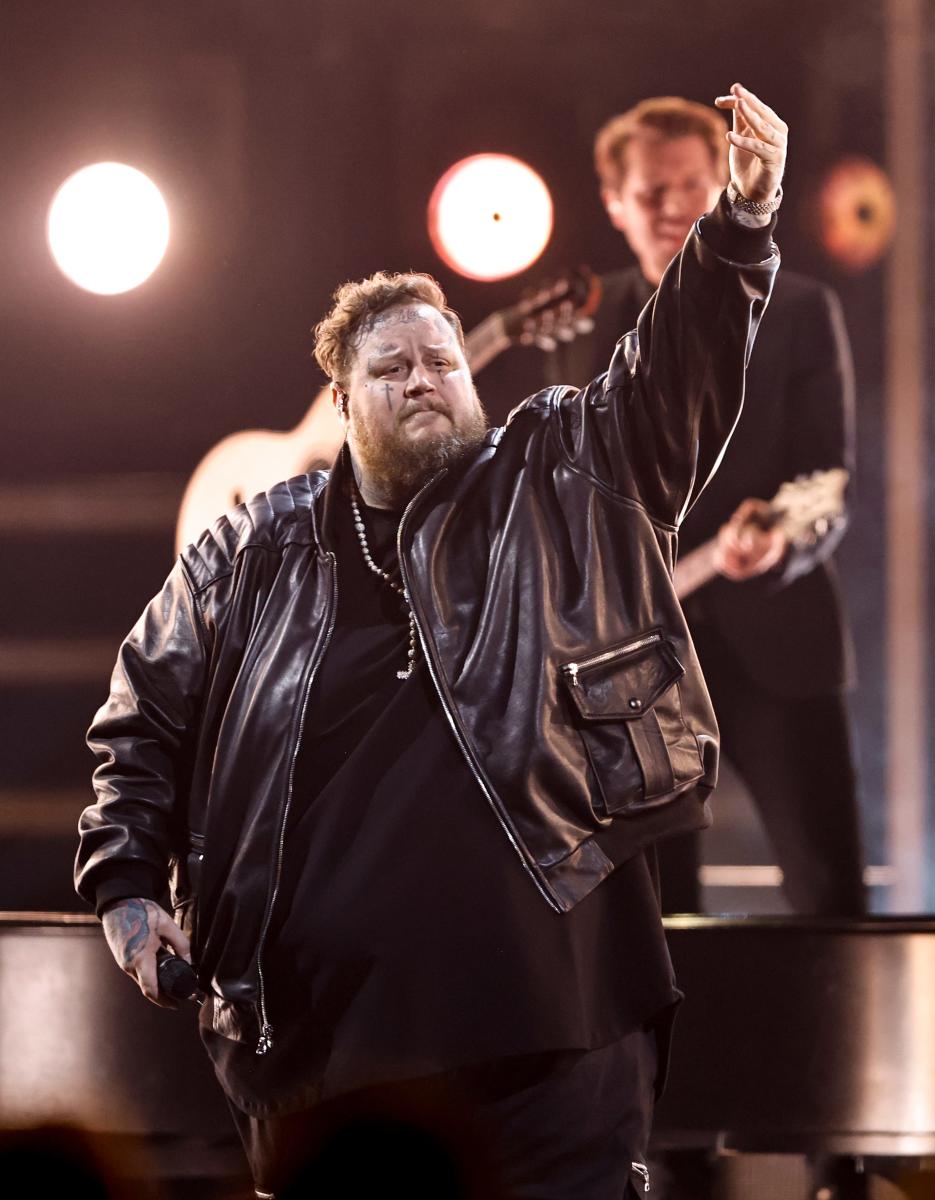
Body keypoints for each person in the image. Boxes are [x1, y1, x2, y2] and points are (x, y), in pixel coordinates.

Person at [75, 83, 784, 1199]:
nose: (424, 382)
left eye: (442, 362)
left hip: (554, 1036)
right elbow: (141, 717)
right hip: (322, 1055)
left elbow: (670, 378)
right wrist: (123, 884)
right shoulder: (247, 549)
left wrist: (738, 231)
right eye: (390, 368)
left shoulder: (558, 474)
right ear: (341, 401)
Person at [548, 94, 865, 916]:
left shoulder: (798, 311)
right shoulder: (583, 325)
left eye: (693, 183)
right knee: (654, 919)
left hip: (774, 641)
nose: (674, 205)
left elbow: (828, 478)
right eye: (651, 190)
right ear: (614, 202)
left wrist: (782, 542)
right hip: (634, 668)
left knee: (829, 895)